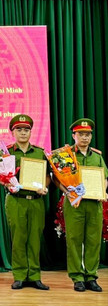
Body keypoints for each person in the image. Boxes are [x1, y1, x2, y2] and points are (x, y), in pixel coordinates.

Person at [0, 114, 50, 290]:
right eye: (19, 129)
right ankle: (20, 275)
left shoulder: (40, 152)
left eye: (26, 129)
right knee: (18, 238)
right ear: (12, 132)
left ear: (31, 132)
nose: (23, 133)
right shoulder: (6, 152)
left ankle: (35, 276)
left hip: (36, 200)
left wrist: (45, 186)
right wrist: (7, 183)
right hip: (16, 200)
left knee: (35, 238)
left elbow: (47, 176)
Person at [60, 118, 107, 292]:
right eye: (81, 134)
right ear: (74, 135)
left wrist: (103, 190)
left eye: (87, 134)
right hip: (74, 204)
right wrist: (66, 192)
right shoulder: (67, 155)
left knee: (93, 241)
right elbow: (59, 178)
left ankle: (91, 277)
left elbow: (104, 178)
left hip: (94, 203)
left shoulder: (97, 156)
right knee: (74, 240)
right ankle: (77, 277)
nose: (85, 138)